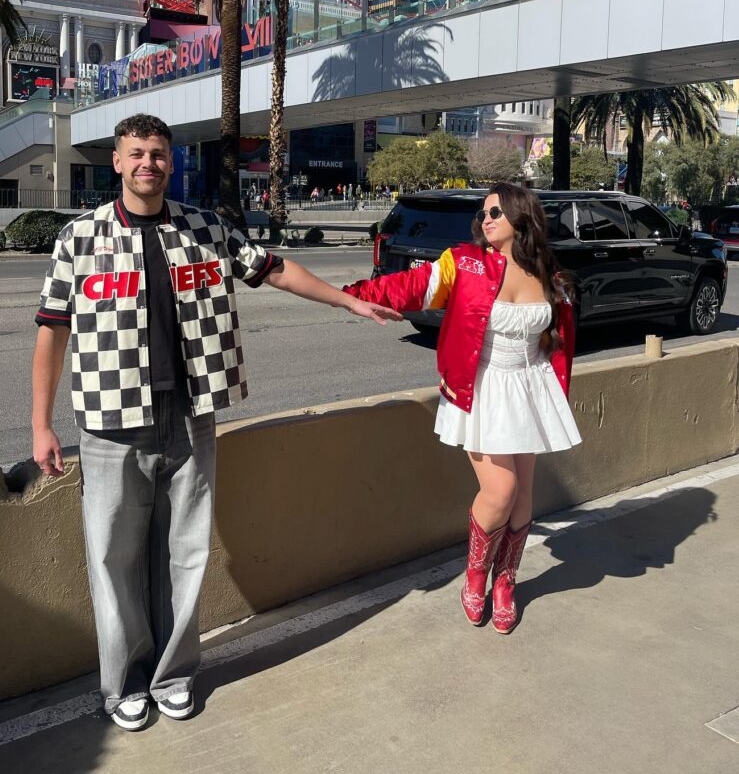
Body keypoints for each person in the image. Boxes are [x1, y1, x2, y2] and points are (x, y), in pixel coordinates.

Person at [31, 114, 401, 732]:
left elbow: (275, 268)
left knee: (186, 552)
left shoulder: (203, 228)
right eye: (137, 154)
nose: (149, 163)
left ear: (170, 163)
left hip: (190, 414)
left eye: (159, 153)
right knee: (112, 556)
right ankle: (124, 685)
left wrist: (346, 298)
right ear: (117, 163)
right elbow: (52, 331)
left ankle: (174, 676)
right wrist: (41, 425)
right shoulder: (80, 238)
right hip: (110, 419)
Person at [343, 182, 581, 634]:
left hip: (530, 388)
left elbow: (559, 343)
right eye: (484, 213)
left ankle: (506, 580)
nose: (485, 219)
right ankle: (475, 575)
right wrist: (357, 295)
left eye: (496, 211)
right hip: (483, 388)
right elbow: (414, 285)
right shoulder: (465, 263)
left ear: (521, 217)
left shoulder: (550, 274)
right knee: (501, 491)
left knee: (524, 494)